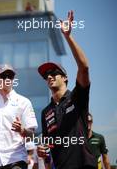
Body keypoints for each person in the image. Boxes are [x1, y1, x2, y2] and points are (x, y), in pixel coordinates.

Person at [36, 10, 97, 169]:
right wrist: (43, 155)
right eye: (46, 76)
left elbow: (84, 67)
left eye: (53, 73)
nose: (49, 76)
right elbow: (49, 151)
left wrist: (68, 36)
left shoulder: (77, 97)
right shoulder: (45, 112)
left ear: (65, 78)